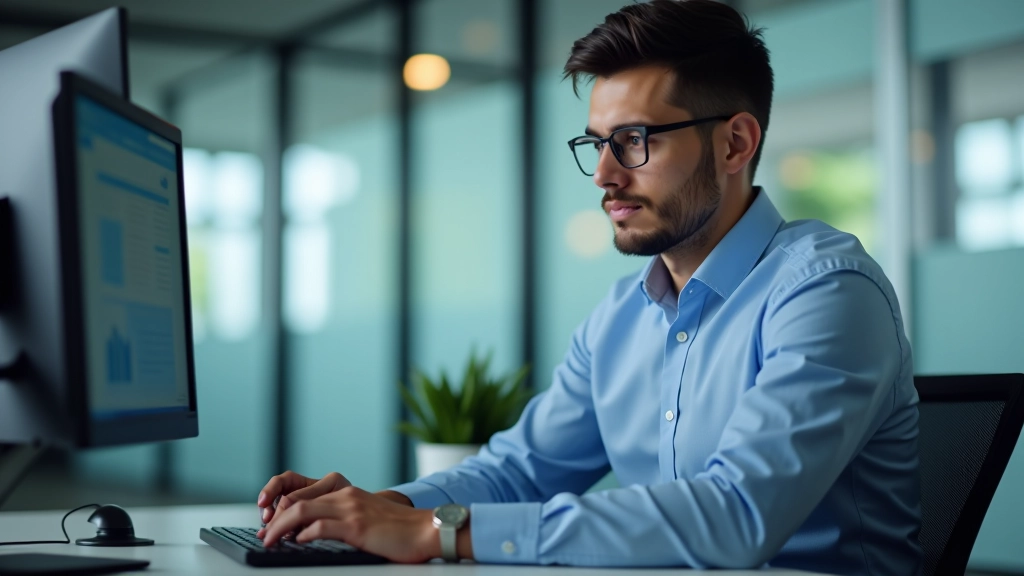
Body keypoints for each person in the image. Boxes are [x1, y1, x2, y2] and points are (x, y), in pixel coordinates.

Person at [257, 1, 921, 573]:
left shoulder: (826, 291)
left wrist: (442, 533)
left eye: (633, 141)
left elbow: (736, 515)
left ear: (734, 144)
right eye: (596, 143)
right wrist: (382, 509)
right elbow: (518, 472)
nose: (603, 175)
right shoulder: (622, 315)